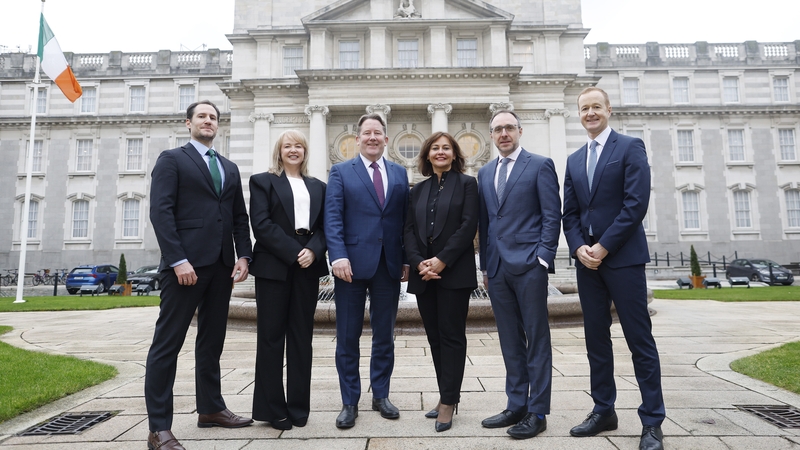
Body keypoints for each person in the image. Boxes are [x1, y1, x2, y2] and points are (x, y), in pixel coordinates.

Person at [146, 100, 253, 450]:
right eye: (202, 116)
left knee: (211, 343)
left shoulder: (229, 167)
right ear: (188, 123)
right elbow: (161, 212)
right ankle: (159, 428)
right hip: (184, 269)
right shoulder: (172, 159)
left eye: (214, 117)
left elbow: (239, 216)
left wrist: (244, 256)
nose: (208, 121)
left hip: (222, 267)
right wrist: (177, 259)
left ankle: (210, 409)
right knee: (168, 345)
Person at [562, 86, 665, 450]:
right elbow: (570, 213)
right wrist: (578, 248)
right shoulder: (575, 159)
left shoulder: (629, 147)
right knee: (596, 340)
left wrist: (604, 247)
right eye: (584, 108)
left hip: (623, 259)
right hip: (587, 263)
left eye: (596, 107)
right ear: (579, 114)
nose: (590, 113)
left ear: (608, 109)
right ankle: (603, 409)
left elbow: (636, 204)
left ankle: (652, 421)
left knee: (639, 341)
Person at [477, 110, 561, 440]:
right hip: (497, 269)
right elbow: (485, 224)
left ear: (520, 131)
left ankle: (537, 411)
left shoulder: (540, 165)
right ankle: (516, 404)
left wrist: (543, 258)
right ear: (492, 135)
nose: (503, 134)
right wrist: (485, 266)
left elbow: (551, 216)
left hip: (529, 266)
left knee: (537, 340)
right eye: (497, 129)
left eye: (509, 127)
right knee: (510, 341)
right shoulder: (485, 173)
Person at [324, 113, 410, 429]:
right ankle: (349, 402)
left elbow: (404, 222)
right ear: (357, 139)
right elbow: (332, 219)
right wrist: (338, 257)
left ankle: (381, 396)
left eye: (378, 133)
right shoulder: (340, 172)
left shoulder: (400, 174)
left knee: (384, 335)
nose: (372, 137)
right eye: (367, 133)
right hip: (350, 267)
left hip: (389, 266)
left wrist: (405, 260)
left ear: (386, 139)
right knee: (347, 336)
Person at [249, 130, 328, 430]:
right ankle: (272, 408)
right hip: (274, 267)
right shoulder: (263, 181)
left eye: (299, 146)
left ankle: (298, 407)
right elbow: (262, 224)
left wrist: (314, 250)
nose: (293, 150)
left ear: (306, 152)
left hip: (308, 266)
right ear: (279, 152)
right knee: (270, 339)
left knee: (301, 339)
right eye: (287, 146)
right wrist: (296, 252)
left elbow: (325, 226)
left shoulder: (319, 186)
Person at [403, 132, 478, 432]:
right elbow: (408, 230)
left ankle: (449, 401)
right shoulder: (417, 190)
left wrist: (442, 260)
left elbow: (467, 226)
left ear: (455, 154)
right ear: (427, 155)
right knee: (435, 337)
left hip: (454, 272)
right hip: (424, 275)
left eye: (446, 148)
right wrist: (419, 261)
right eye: (435, 148)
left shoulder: (468, 184)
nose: (441, 152)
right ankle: (445, 394)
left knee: (452, 336)